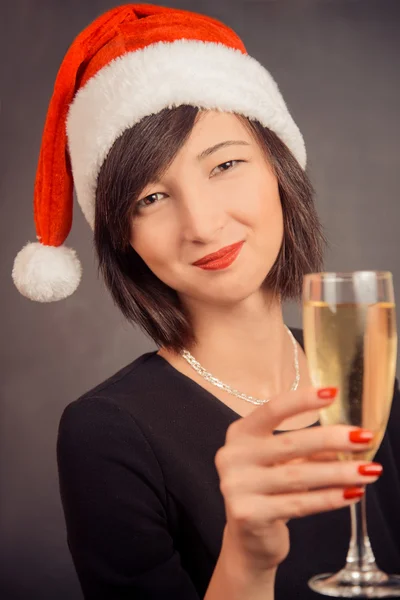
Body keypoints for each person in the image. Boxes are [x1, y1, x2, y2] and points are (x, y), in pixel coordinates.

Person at [11, 4, 400, 599]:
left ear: (280, 168)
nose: (203, 223)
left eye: (224, 164)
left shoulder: (369, 374)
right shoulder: (105, 435)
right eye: (151, 197)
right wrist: (246, 561)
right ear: (125, 237)